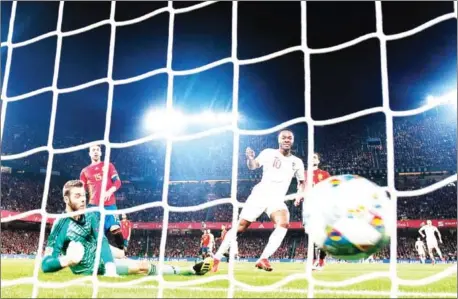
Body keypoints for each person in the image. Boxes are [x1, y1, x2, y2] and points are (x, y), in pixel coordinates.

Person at [41, 180, 213, 277]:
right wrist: (67, 260)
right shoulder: (60, 225)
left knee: (131, 259)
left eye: (84, 196)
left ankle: (188, 270)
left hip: (101, 259)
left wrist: (109, 266)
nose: (83, 200)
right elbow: (45, 264)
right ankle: (187, 271)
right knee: (139, 266)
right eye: (77, 196)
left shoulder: (91, 214)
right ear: (66, 199)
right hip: (92, 268)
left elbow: (100, 239)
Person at [212, 130, 305, 272]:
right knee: (241, 227)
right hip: (260, 194)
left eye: (289, 138)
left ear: (292, 141)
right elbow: (253, 166)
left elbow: (301, 182)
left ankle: (263, 258)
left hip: (277, 199)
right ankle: (217, 258)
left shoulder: (297, 162)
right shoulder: (268, 153)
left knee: (284, 224)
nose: (286, 140)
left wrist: (299, 194)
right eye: (284, 137)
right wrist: (250, 158)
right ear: (279, 140)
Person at [80, 145, 124, 249]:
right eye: (93, 150)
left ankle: (122, 251)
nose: (95, 152)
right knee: (95, 234)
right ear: (90, 153)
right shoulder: (84, 171)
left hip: (109, 205)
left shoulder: (108, 165)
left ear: (101, 152)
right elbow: (82, 190)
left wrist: (109, 191)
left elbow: (117, 182)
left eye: (97, 150)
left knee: (115, 228)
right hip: (93, 207)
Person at [297, 153, 331, 271]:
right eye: (311, 157)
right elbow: (300, 187)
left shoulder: (325, 174)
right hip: (308, 207)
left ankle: (321, 259)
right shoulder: (304, 174)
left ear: (318, 161)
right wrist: (298, 197)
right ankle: (312, 260)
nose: (313, 159)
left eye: (315, 157)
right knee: (310, 235)